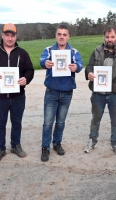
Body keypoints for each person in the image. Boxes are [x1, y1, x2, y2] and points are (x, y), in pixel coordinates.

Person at [0, 23, 34, 163]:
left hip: (18, 96)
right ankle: (0, 148)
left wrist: (26, 79)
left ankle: (15, 146)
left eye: (12, 35)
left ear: (16, 36)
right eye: (7, 35)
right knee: (0, 123)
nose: (10, 38)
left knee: (17, 122)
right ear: (2, 35)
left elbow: (30, 70)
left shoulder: (22, 53)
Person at [84, 25, 116, 156]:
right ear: (104, 37)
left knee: (115, 121)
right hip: (98, 93)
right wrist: (89, 73)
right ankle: (92, 140)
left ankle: (115, 143)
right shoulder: (97, 51)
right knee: (95, 119)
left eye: (112, 37)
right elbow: (89, 66)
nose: (110, 39)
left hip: (115, 94)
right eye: (107, 37)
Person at [39, 24, 83, 162]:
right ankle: (45, 147)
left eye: (64, 34)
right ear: (56, 36)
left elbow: (80, 65)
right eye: (59, 34)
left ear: (68, 36)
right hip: (51, 91)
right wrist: (45, 63)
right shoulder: (49, 50)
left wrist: (76, 67)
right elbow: (41, 61)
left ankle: (57, 143)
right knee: (47, 122)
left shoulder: (74, 52)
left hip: (67, 92)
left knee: (61, 121)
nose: (62, 37)